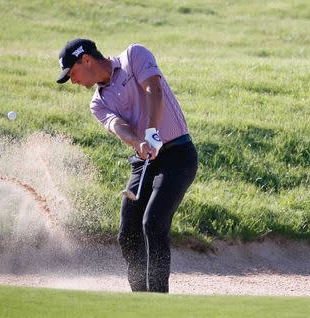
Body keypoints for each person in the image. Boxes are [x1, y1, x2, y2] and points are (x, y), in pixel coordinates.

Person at [55, 38, 198, 293]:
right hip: (144, 161)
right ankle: (139, 300)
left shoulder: (134, 56)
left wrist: (152, 133)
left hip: (177, 154)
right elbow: (118, 126)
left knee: (153, 223)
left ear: (85, 60)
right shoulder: (97, 103)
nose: (72, 81)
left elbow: (154, 89)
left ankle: (157, 301)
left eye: (72, 73)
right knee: (128, 232)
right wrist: (138, 142)